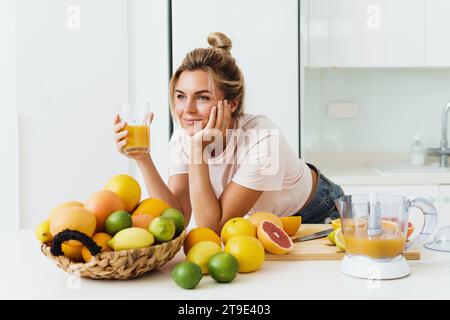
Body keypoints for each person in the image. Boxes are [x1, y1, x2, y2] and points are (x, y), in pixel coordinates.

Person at [113, 32, 344, 234]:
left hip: (318, 214)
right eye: (181, 96)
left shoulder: (264, 140)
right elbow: (177, 218)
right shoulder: (186, 135)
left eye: (202, 97)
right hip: (265, 223)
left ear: (232, 103)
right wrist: (143, 158)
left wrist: (197, 151)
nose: (187, 110)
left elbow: (213, 228)